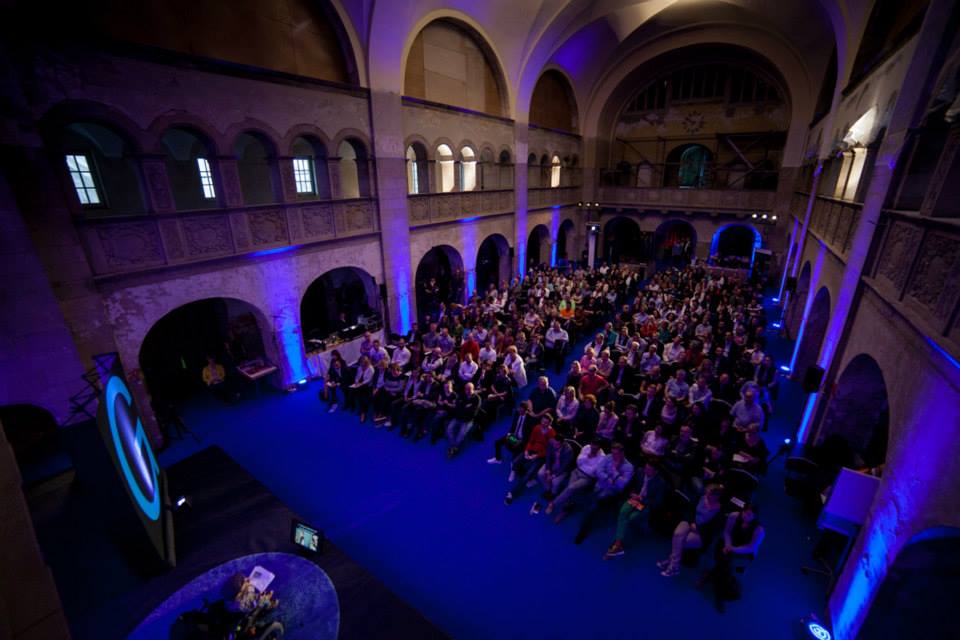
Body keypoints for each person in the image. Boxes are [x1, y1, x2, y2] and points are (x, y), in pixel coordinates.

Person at [699, 504, 765, 612]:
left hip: (744, 551)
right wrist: (728, 545)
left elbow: (751, 547)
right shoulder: (734, 516)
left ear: (755, 516)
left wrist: (732, 549)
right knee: (722, 558)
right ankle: (715, 581)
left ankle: (715, 585)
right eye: (745, 513)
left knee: (726, 563)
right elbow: (727, 532)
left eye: (750, 515)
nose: (746, 516)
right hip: (730, 543)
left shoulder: (759, 530)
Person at [572, 443, 635, 544]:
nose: (614, 456)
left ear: (622, 453)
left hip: (611, 491)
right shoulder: (608, 457)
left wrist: (614, 471)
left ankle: (583, 530)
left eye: (616, 454)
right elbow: (598, 471)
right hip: (600, 485)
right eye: (613, 453)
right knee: (593, 496)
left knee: (593, 503)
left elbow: (621, 485)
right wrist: (608, 478)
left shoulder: (629, 467)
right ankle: (586, 505)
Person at [658, 484, 725, 577]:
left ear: (716, 496)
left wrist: (699, 529)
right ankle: (675, 566)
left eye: (710, 494)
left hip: (702, 533)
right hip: (690, 522)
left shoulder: (720, 511)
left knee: (684, 541)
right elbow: (689, 511)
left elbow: (713, 530)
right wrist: (691, 522)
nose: (707, 495)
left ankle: (671, 562)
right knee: (677, 534)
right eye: (707, 493)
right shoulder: (700, 497)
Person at [504, 415, 556, 504]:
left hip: (541, 456)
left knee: (527, 475)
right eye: (542, 421)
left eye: (546, 423)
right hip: (531, 450)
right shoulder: (536, 428)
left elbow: (548, 450)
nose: (543, 424)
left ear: (550, 423)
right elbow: (531, 441)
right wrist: (527, 451)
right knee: (516, 462)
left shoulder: (552, 434)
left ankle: (512, 494)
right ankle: (530, 479)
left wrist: (537, 456)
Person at [547, 439, 606, 516]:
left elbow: (593, 472)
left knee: (571, 487)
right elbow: (578, 461)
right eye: (592, 447)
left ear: (599, 448)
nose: (592, 449)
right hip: (576, 471)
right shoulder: (586, 448)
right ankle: (567, 506)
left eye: (595, 448)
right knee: (570, 489)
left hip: (587, 477)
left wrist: (584, 464)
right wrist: (587, 457)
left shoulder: (602, 457)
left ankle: (553, 504)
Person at [530, 433, 575, 514]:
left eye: (557, 444)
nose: (555, 446)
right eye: (554, 443)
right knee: (540, 473)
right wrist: (548, 470)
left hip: (562, 469)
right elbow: (548, 456)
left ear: (563, 443)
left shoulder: (568, 451)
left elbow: (565, 466)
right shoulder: (551, 442)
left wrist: (553, 476)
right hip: (552, 464)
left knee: (555, 482)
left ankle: (553, 495)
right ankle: (548, 489)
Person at [446, 382, 481, 458]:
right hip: (458, 417)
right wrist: (465, 407)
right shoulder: (462, 395)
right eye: (466, 389)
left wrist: (463, 407)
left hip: (467, 420)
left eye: (469, 389)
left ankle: (454, 448)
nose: (467, 391)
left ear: (473, 389)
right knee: (449, 429)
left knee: (461, 434)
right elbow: (457, 406)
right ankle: (454, 446)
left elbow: (473, 411)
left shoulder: (477, 398)